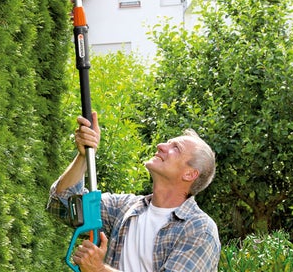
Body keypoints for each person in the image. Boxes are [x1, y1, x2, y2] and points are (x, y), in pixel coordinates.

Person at [48, 112, 220, 272]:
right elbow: (62, 203)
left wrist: (99, 269)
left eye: (176, 148)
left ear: (189, 174)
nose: (161, 146)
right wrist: (86, 154)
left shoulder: (199, 230)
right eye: (167, 142)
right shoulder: (125, 208)